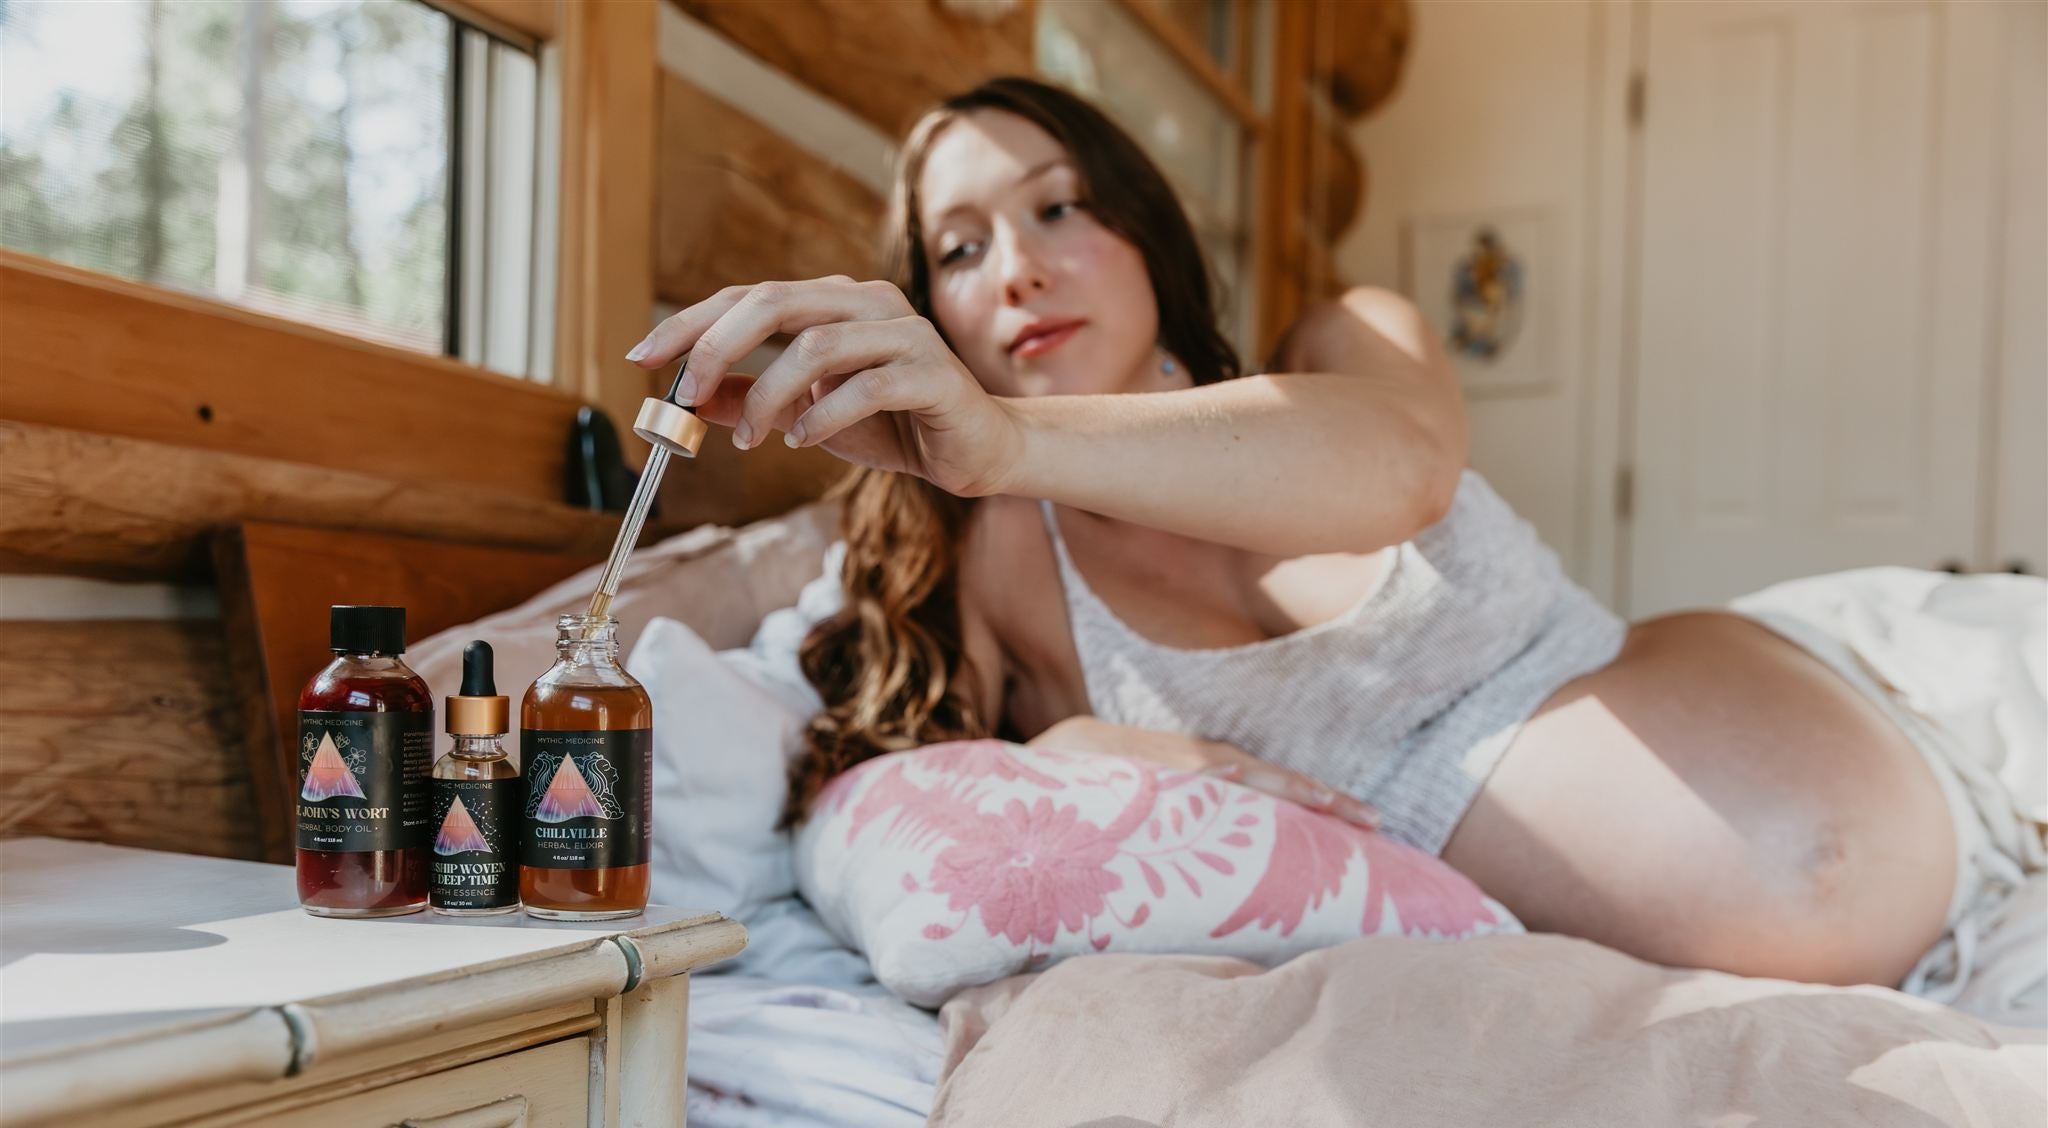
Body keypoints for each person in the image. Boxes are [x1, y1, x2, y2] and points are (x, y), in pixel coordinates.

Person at [629, 76, 2042, 998]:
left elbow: (1403, 472)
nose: (1021, 267)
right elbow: (929, 782)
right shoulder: (1007, 561)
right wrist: (1072, 746)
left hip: (1930, 713)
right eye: (959, 245)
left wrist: (1001, 438)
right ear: (932, 307)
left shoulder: (1345, 340)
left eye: (1062, 205)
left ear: (1147, 232)